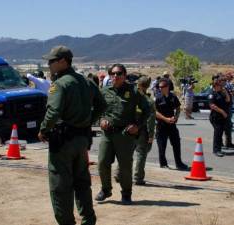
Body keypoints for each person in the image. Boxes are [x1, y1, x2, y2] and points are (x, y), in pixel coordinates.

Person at [38, 46, 106, 225]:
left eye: (52, 61)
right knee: (82, 182)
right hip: (82, 139)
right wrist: (88, 121)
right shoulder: (85, 81)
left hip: (63, 141)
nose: (49, 64)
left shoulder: (60, 84)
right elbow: (101, 104)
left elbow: (53, 112)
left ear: (63, 61)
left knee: (60, 185)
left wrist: (43, 130)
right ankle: (88, 220)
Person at [96, 63, 150, 205]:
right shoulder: (104, 91)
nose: (116, 76)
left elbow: (147, 109)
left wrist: (137, 126)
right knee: (102, 162)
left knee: (125, 166)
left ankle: (126, 193)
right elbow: (98, 110)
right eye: (113, 74)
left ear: (124, 76)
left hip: (125, 135)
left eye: (119, 73)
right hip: (108, 133)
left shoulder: (133, 91)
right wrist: (101, 120)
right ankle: (106, 189)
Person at [155, 78, 188, 170]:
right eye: (159, 87)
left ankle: (179, 163)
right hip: (161, 125)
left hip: (172, 124)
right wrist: (165, 119)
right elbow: (154, 112)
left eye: (163, 87)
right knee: (162, 145)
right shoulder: (157, 98)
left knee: (176, 143)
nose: (160, 88)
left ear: (167, 87)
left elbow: (178, 108)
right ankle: (163, 163)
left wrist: (176, 117)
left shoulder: (173, 97)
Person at [133, 76, 156, 185]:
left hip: (129, 128)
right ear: (148, 86)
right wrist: (151, 135)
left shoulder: (132, 97)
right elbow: (150, 120)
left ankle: (119, 174)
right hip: (142, 130)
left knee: (126, 153)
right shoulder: (149, 101)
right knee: (141, 153)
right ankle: (138, 178)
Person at [209, 75, 230, 157]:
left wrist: (226, 92)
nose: (221, 87)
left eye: (221, 86)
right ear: (215, 86)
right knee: (217, 133)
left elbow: (228, 100)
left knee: (220, 133)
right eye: (219, 86)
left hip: (222, 117)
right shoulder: (212, 94)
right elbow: (212, 106)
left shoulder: (221, 93)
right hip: (215, 117)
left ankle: (219, 149)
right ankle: (216, 150)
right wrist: (222, 112)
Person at [224, 72, 234, 148]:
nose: (231, 78)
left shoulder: (230, 84)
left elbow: (233, 93)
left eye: (231, 77)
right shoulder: (225, 85)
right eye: (230, 76)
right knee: (225, 125)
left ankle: (228, 142)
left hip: (230, 105)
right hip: (225, 106)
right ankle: (224, 143)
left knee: (228, 125)